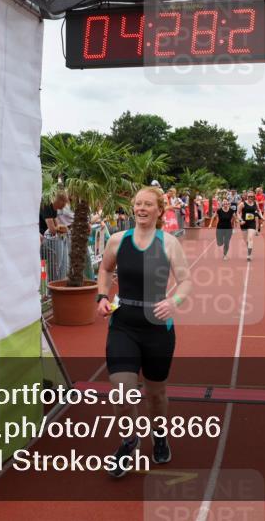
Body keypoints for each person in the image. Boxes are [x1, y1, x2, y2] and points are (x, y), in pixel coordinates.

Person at [95, 187, 192, 477]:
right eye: (138, 203)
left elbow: (186, 281)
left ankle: (159, 434)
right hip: (123, 324)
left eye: (148, 204)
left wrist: (173, 301)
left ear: (160, 211)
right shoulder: (117, 241)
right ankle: (129, 439)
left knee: (155, 394)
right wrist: (101, 296)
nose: (141, 208)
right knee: (121, 392)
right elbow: (104, 270)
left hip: (157, 330)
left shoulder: (169, 243)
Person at [207, 192, 238, 260]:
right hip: (220, 228)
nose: (225, 204)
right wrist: (210, 224)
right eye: (224, 203)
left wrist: (237, 223)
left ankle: (225, 255)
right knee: (219, 243)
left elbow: (235, 218)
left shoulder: (231, 211)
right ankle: (221, 242)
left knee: (226, 242)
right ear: (222, 204)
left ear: (228, 203)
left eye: (226, 202)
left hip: (228, 228)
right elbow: (213, 217)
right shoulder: (219, 210)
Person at [239, 191, 264, 261]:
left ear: (254, 197)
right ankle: (249, 248)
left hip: (252, 223)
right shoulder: (242, 204)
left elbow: (259, 211)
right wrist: (240, 220)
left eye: (252, 197)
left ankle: (249, 255)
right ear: (247, 197)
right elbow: (238, 213)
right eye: (249, 196)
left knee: (250, 238)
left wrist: (261, 217)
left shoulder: (256, 203)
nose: (250, 198)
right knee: (246, 240)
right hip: (244, 223)